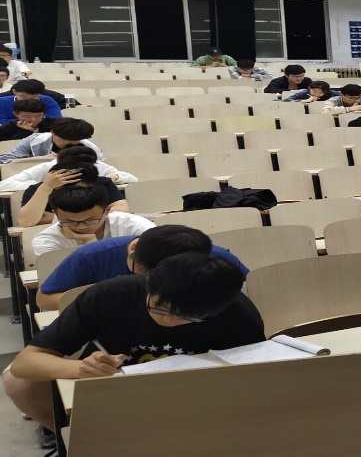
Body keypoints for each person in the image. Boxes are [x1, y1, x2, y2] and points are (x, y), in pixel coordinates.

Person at [5, 250, 264, 431]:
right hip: (116, 393)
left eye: (187, 317)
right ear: (149, 283)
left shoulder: (238, 313)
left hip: (197, 400)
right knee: (16, 382)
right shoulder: (112, 295)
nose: (168, 320)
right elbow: (24, 364)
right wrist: (82, 368)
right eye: (158, 307)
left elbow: (253, 379)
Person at [34, 224, 250, 312]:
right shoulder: (92, 255)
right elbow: (44, 300)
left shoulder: (217, 258)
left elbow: (249, 291)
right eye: (140, 269)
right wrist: (103, 296)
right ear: (134, 247)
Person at [31, 184, 155, 256]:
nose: (81, 226)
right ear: (56, 215)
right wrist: (89, 243)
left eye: (90, 220)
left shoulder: (135, 227)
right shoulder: (47, 241)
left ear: (107, 210)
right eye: (70, 221)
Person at [18, 158, 128, 227]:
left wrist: (65, 218)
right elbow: (26, 221)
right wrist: (47, 187)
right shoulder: (39, 189)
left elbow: (121, 210)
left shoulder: (102, 183)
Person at [0, 144, 136, 192]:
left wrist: (114, 177)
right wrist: (47, 185)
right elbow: (4, 185)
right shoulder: (46, 167)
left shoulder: (95, 165)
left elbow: (132, 178)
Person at [0, 117, 99, 165]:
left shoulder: (90, 148)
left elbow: (99, 168)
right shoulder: (34, 140)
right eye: (62, 138)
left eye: (72, 140)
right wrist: (40, 159)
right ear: (52, 132)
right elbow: (4, 160)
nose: (66, 143)